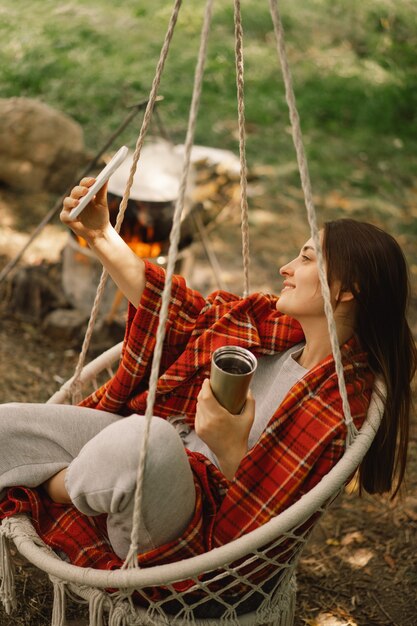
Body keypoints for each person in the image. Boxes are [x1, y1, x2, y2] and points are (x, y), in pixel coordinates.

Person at [0, 177, 416, 565]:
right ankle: (79, 482)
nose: (286, 268)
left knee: (145, 437)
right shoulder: (276, 331)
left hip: (192, 534)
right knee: (8, 423)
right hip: (142, 467)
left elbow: (267, 530)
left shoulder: (335, 405)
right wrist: (100, 234)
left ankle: (49, 488)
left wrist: (229, 446)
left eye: (305, 258)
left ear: (345, 291)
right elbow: (180, 317)